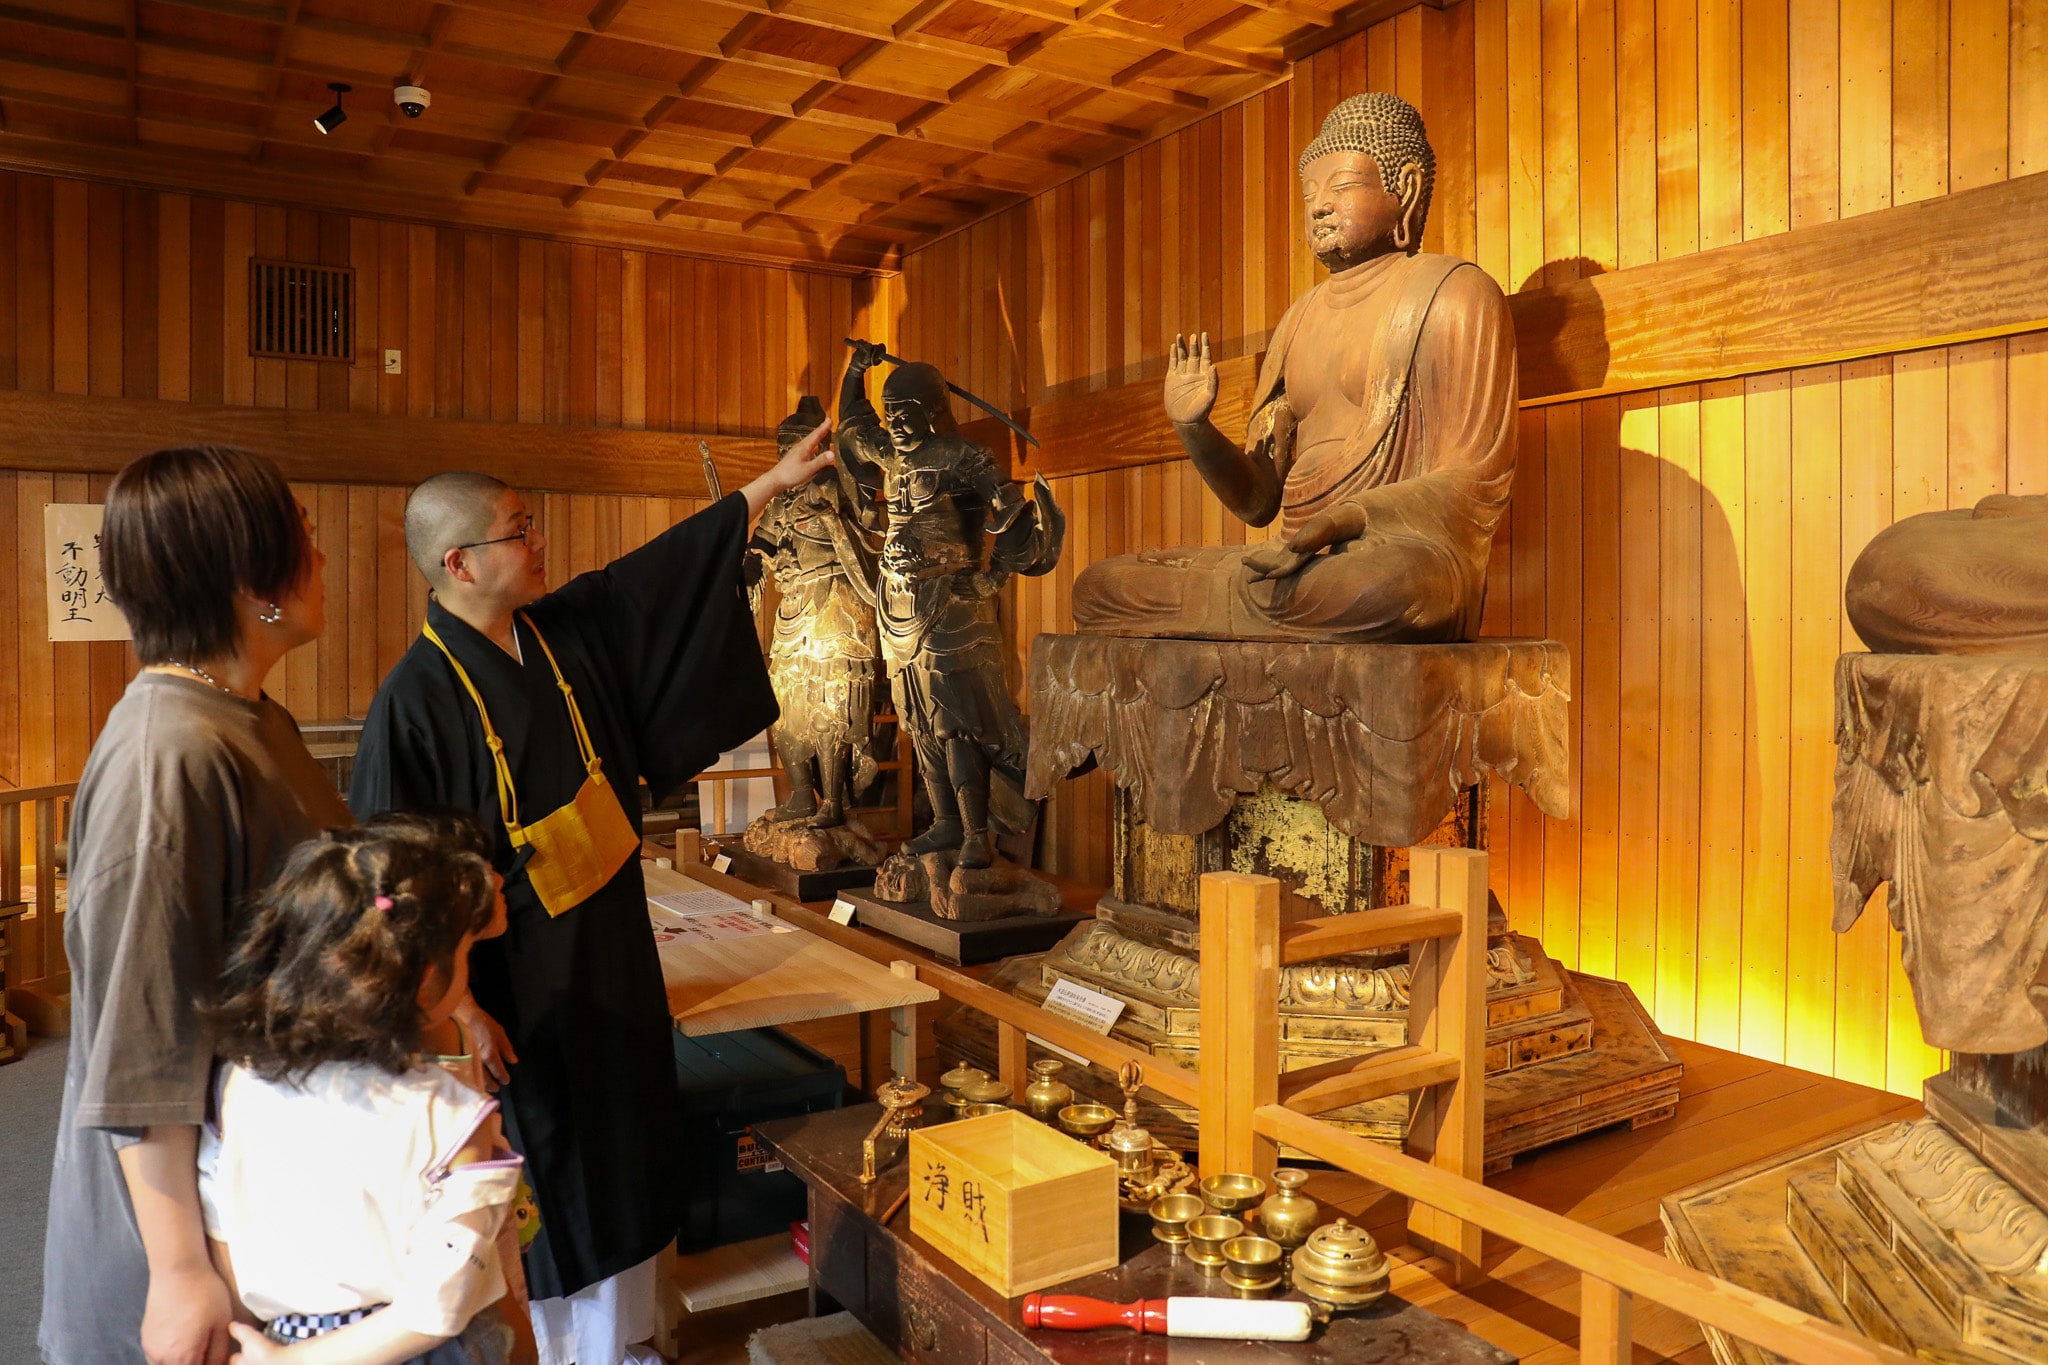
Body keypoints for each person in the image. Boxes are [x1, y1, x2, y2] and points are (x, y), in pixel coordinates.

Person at [347, 425, 833, 1365]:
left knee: (634, 1139)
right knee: (559, 1170)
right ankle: (579, 1351)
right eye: (519, 531)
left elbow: (654, 579)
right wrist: (462, 1007)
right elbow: (387, 880)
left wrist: (765, 487)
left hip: (613, 946)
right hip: (523, 988)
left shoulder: (561, 631)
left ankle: (641, 1336)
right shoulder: (413, 700)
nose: (538, 545)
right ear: (458, 562)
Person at [40, 446, 352, 1365]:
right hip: (187, 1224)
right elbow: (144, 1037)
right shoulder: (167, 756)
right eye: (301, 536)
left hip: (270, 1174)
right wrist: (179, 1271)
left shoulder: (253, 718)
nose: (321, 556)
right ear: (247, 576)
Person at [1071, 91, 1518, 643]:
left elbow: (1473, 480)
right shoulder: (1297, 320)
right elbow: (1259, 500)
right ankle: (1249, 605)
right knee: (1100, 586)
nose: (1319, 205)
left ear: (1405, 188)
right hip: (1289, 562)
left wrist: (1342, 520)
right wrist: (1195, 430)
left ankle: (1241, 608)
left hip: (1393, 555)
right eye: (1309, 193)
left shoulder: (1456, 294)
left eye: (1342, 186)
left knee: (1382, 589)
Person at [197, 814, 526, 1365]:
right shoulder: (451, 1116)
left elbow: (221, 1224)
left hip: (278, 1337)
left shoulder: (242, 1082)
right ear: (425, 977)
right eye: (463, 957)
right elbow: (439, 1307)